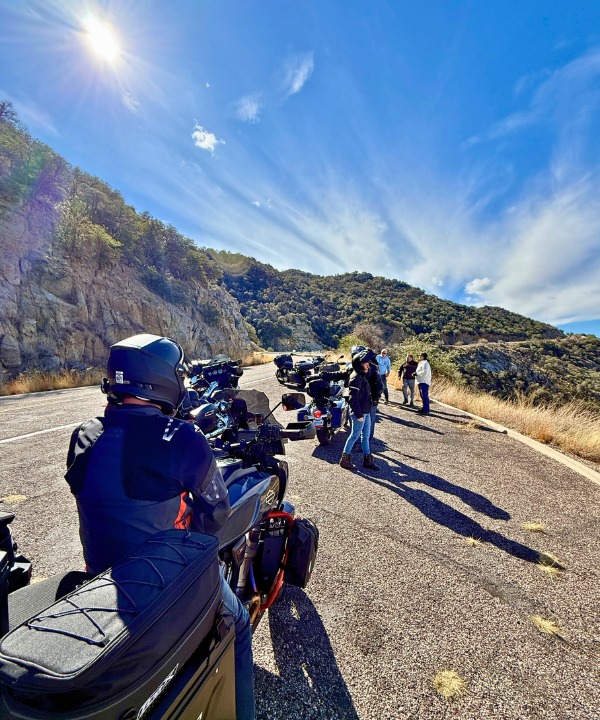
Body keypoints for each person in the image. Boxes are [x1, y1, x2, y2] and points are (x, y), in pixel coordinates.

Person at [64, 334, 255, 720]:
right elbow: (216, 513)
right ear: (162, 380)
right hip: (160, 586)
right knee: (239, 621)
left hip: (98, 577)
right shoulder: (182, 437)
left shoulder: (84, 434)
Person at [339, 348, 380, 471]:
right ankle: (344, 459)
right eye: (366, 364)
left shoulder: (362, 376)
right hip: (359, 413)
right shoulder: (355, 377)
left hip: (366, 412)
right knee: (354, 436)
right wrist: (358, 414)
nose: (368, 366)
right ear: (359, 364)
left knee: (365, 437)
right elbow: (353, 399)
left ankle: (367, 460)